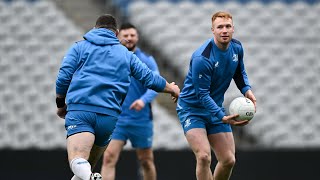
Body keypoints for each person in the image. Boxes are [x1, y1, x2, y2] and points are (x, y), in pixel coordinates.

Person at [55, 14, 180, 180]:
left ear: (94, 29)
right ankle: (91, 176)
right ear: (116, 33)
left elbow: (63, 77)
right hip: (109, 117)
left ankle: (92, 177)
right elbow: (149, 79)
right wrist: (170, 88)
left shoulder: (79, 47)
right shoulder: (126, 54)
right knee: (85, 170)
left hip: (81, 111)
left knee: (77, 159)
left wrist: (60, 103)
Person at [176, 11, 257, 180]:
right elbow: (202, 95)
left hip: (215, 108)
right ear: (212, 30)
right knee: (204, 156)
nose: (224, 30)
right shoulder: (203, 58)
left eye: (228, 26)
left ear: (233, 29)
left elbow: (239, 72)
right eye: (220, 27)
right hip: (192, 109)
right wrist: (222, 116)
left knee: (228, 160)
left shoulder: (237, 47)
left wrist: (246, 90)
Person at [100, 23, 159, 180]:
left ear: (137, 37)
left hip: (141, 119)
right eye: (125, 36)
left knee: (146, 161)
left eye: (132, 35)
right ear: (119, 38)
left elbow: (156, 84)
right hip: (117, 120)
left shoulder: (147, 60)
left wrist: (142, 100)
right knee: (108, 158)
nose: (129, 38)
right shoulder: (111, 60)